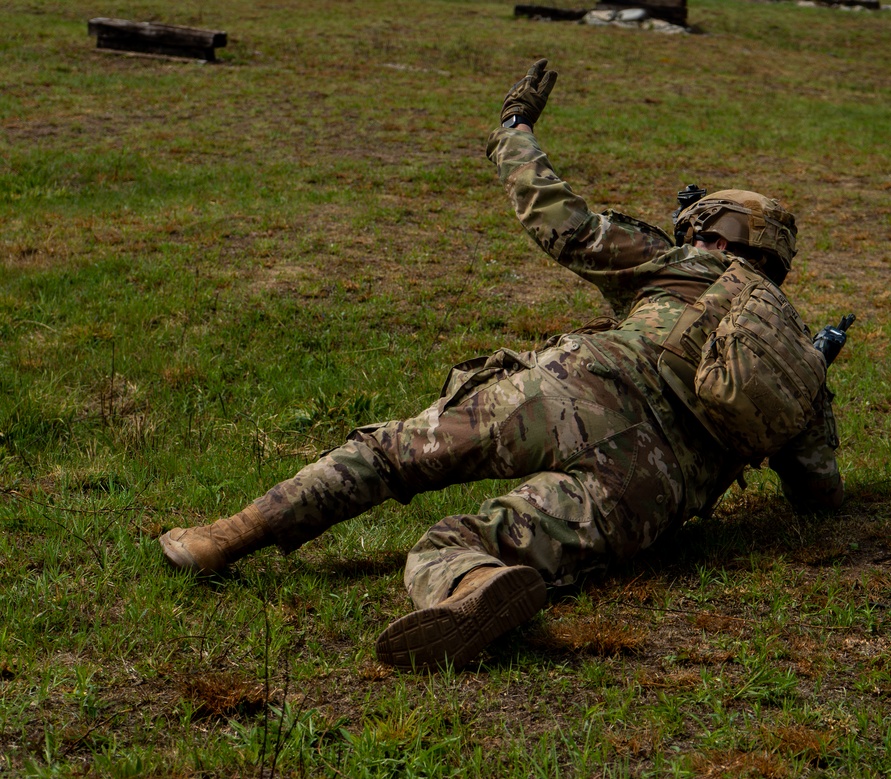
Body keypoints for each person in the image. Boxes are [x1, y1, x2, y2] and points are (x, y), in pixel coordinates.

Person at [159, 60, 845, 670]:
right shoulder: (798, 367)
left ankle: (222, 540)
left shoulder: (681, 263)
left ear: (707, 229)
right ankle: (467, 583)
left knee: (388, 454)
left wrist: (514, 126)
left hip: (573, 396)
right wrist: (811, 363)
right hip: (647, 494)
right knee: (450, 543)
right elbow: (817, 491)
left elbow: (562, 224)